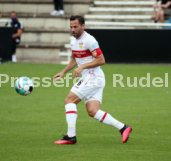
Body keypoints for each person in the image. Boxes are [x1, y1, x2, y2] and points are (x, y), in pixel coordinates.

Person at [53, 15, 132, 145]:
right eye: (71, 27)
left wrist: (82, 67)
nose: (73, 29)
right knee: (92, 111)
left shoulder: (90, 40)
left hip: (93, 77)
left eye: (75, 27)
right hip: (92, 78)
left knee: (69, 100)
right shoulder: (73, 40)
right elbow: (74, 59)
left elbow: (102, 60)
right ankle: (123, 128)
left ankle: (70, 137)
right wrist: (63, 72)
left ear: (83, 26)